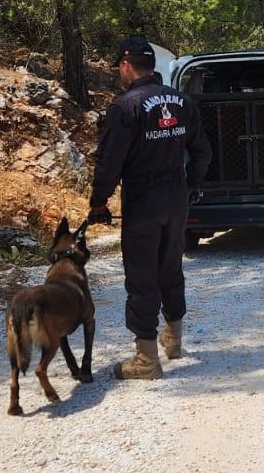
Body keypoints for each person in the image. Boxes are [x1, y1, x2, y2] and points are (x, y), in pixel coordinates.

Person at [87, 36, 212, 380]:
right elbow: (203, 152)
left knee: (142, 276)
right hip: (176, 198)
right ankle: (173, 341)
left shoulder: (125, 107)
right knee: (170, 269)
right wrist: (191, 186)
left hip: (143, 201)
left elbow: (109, 163)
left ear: (126, 66)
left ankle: (146, 360)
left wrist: (98, 200)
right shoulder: (182, 101)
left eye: (119, 69)